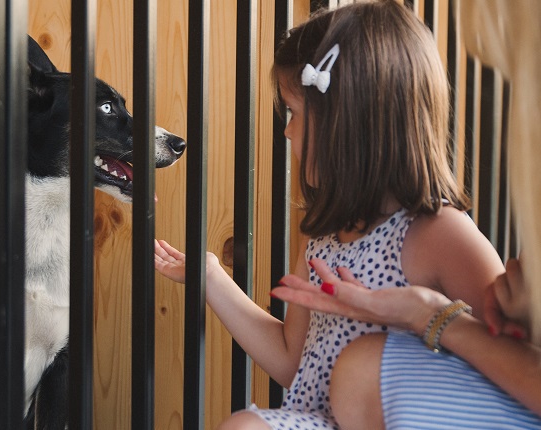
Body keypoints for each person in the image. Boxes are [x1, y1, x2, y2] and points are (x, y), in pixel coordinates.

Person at [154, 1, 505, 428]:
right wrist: (212, 278)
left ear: (350, 122)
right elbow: (292, 360)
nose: (286, 131)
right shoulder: (324, 237)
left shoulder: (440, 235)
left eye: (294, 114)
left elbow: (513, 365)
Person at [273, 257, 541, 429]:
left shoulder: (440, 231)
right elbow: (294, 364)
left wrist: (429, 314)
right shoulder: (316, 236)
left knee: (365, 372)